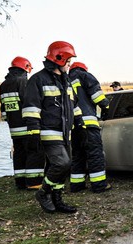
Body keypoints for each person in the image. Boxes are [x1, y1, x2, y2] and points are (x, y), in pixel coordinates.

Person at [23, 41, 81, 214]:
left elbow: (73, 104)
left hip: (65, 132)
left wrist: (79, 122)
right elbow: (31, 107)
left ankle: (57, 199)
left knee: (64, 166)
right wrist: (33, 131)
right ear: (59, 58)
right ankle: (44, 193)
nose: (70, 65)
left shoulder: (66, 81)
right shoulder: (38, 80)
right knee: (62, 163)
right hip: (49, 130)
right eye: (68, 61)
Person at [0, 56, 45, 190]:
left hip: (13, 127)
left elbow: (4, 109)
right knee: (34, 151)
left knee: (19, 153)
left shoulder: (4, 85)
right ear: (25, 67)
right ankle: (34, 182)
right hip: (27, 125)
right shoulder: (23, 82)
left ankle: (20, 182)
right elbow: (29, 103)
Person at [68, 62, 112, 193]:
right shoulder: (85, 76)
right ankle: (99, 185)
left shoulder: (65, 79)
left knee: (78, 155)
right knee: (95, 154)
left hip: (74, 125)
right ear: (83, 69)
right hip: (88, 123)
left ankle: (77, 185)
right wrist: (106, 107)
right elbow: (97, 96)